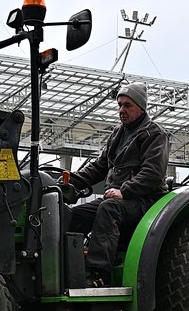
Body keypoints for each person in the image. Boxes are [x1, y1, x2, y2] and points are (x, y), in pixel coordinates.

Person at [62, 81, 170, 286]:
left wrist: (124, 191)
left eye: (127, 105)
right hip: (118, 196)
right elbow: (99, 167)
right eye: (119, 105)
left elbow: (153, 174)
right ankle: (69, 268)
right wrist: (69, 182)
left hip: (144, 200)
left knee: (109, 208)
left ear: (141, 107)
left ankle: (99, 274)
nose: (122, 110)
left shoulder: (154, 134)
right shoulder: (118, 133)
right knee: (74, 215)